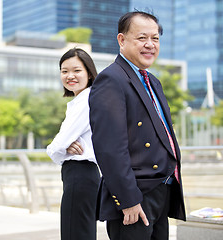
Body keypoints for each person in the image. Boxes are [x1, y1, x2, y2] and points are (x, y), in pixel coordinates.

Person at [89, 11, 186, 239]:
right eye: (142, 38)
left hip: (161, 190)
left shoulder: (152, 81)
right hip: (135, 198)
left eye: (155, 38)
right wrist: (128, 200)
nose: (150, 45)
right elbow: (110, 149)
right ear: (121, 40)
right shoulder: (111, 79)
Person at [46, 48, 101, 240]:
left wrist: (56, 149)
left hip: (80, 175)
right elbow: (63, 144)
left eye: (77, 70)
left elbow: (57, 145)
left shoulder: (87, 100)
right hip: (82, 176)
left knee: (74, 234)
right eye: (64, 71)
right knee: (81, 233)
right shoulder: (82, 100)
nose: (70, 76)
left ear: (89, 72)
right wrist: (62, 147)